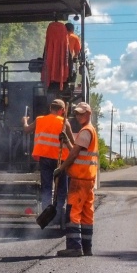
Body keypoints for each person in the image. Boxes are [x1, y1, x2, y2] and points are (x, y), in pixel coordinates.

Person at [54, 101, 98, 257]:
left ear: (89, 113)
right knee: (86, 215)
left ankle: (74, 247)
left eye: (81, 113)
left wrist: (61, 168)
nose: (79, 116)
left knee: (73, 213)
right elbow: (77, 150)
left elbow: (73, 154)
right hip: (88, 180)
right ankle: (87, 248)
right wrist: (67, 140)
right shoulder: (90, 130)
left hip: (79, 180)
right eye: (77, 113)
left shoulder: (86, 131)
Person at [24, 98, 69, 225]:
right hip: (60, 160)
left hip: (45, 159)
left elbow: (26, 129)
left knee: (46, 188)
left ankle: (47, 217)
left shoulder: (39, 120)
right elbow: (71, 142)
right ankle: (58, 216)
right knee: (61, 189)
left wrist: (25, 121)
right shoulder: (64, 122)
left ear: (50, 108)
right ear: (62, 110)